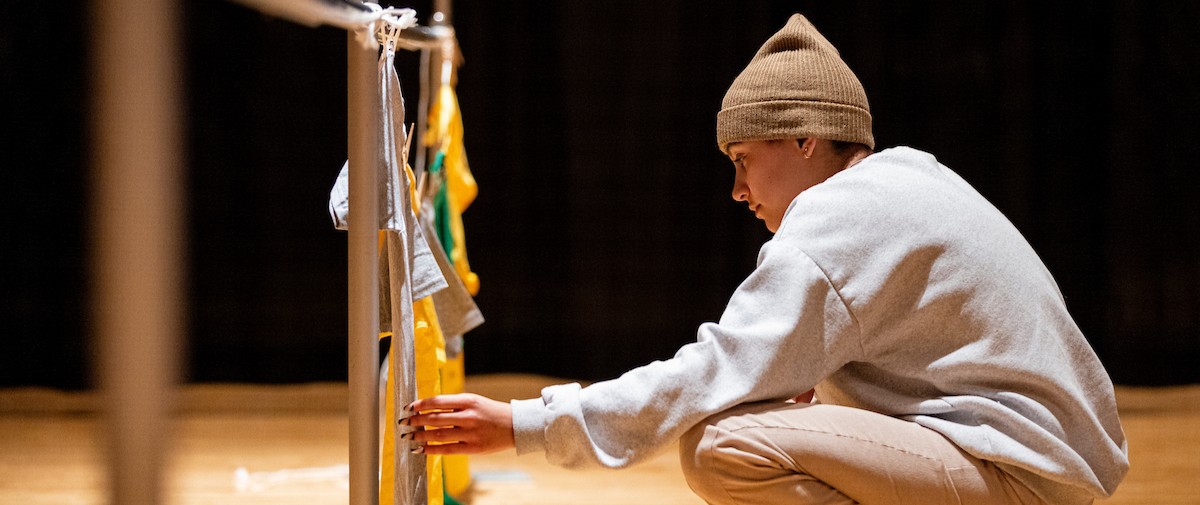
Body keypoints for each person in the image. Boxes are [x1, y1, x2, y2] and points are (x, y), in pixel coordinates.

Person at [403, 13, 1129, 505]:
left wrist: (527, 422)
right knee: (774, 406)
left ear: (806, 140)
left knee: (723, 445)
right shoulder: (907, 177)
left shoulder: (836, 220)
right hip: (1050, 461)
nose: (739, 189)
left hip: (1025, 473)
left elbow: (709, 372)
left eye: (746, 159)